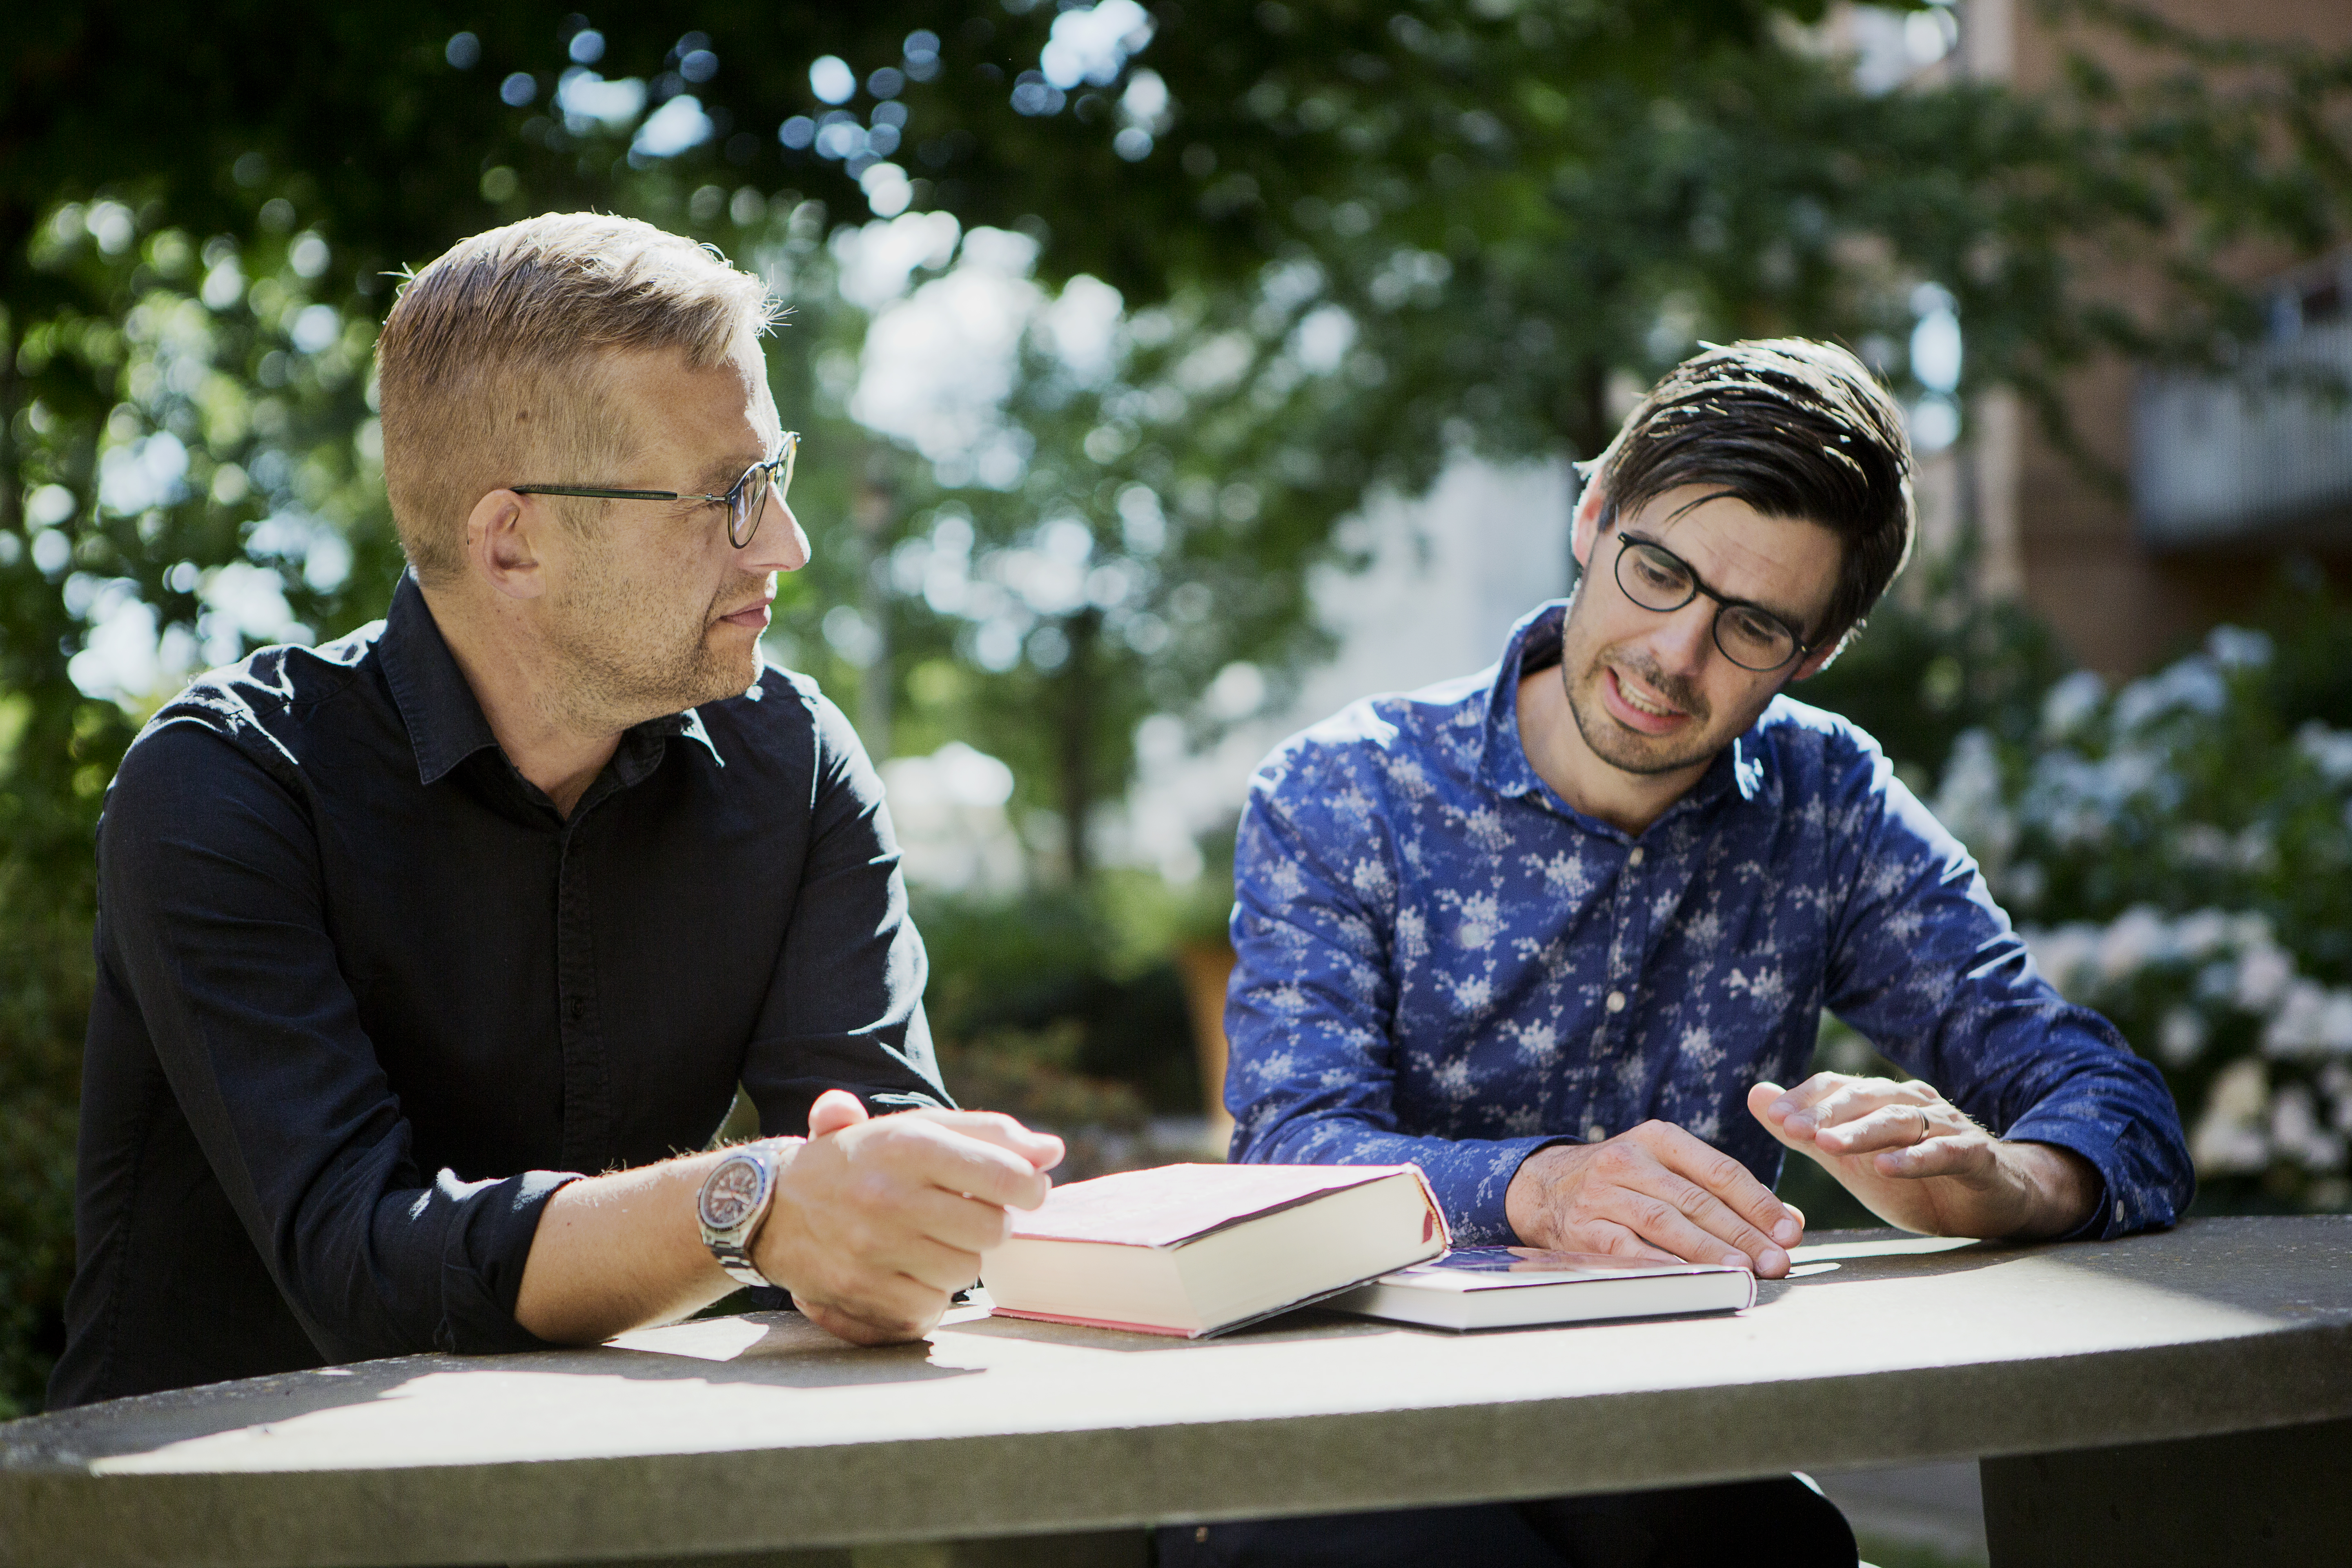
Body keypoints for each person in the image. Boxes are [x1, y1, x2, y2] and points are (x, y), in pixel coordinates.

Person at [1177, 339, 2194, 1566]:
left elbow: (2115, 1104)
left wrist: (2012, 1184)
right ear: (1594, 516)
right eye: (1657, 571)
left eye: (1754, 625)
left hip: (1670, 1453)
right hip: (1353, 1448)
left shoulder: (1831, 804)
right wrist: (1538, 1188)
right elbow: (1288, 1151)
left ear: (1815, 653)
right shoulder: (1344, 791)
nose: (1676, 654)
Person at [49, 214, 1062, 1410]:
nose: (784, 545)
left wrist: (902, 1224)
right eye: (728, 496)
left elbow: (872, 1190)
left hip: (621, 1493)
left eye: (773, 475)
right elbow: (359, 1271)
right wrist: (758, 1207)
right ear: (513, 544)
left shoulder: (794, 764)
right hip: (225, 1518)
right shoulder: (228, 784)